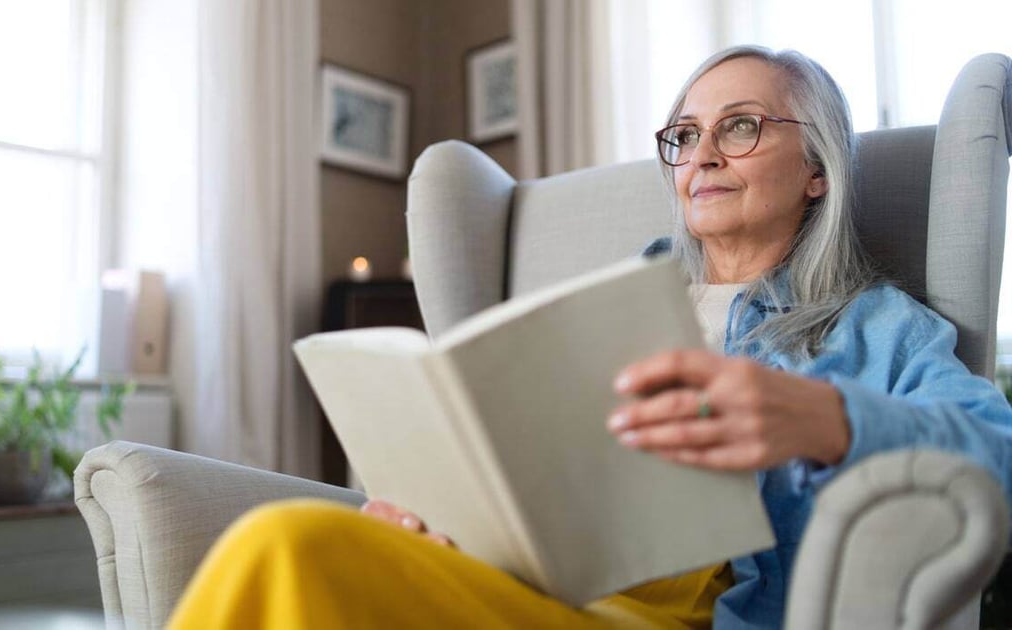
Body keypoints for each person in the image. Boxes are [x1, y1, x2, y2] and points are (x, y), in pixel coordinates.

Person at [167, 45, 1012, 629]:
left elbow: (997, 453)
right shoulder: (608, 303)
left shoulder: (876, 326)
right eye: (684, 135)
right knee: (300, 550)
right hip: (534, 588)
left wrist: (827, 417)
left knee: (286, 544)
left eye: (742, 126)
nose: (703, 154)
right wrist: (441, 519)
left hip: (689, 607)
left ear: (818, 166)